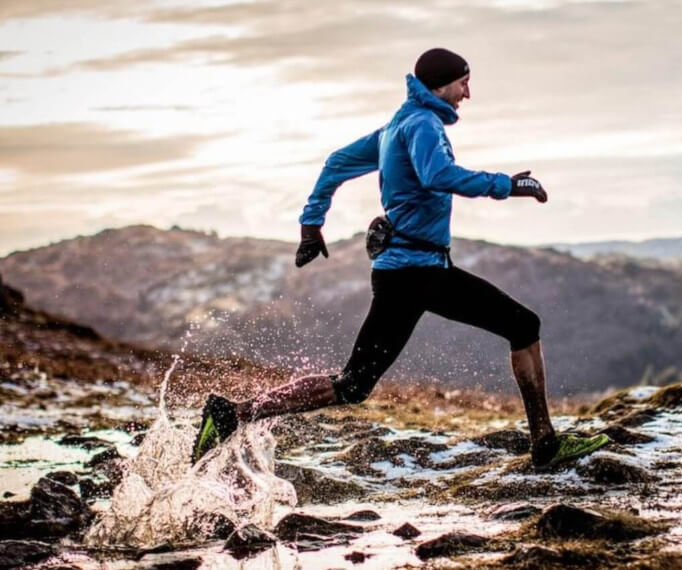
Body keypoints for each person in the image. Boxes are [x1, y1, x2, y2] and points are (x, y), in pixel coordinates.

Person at [192, 48, 609, 468]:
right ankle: (545, 443)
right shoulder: (423, 125)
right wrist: (507, 185)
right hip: (418, 273)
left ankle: (233, 413)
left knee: (353, 385)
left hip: (404, 273)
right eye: (464, 82)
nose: (468, 92)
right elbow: (437, 175)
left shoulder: (398, 125)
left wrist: (311, 223)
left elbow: (337, 162)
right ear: (442, 84)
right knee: (523, 325)